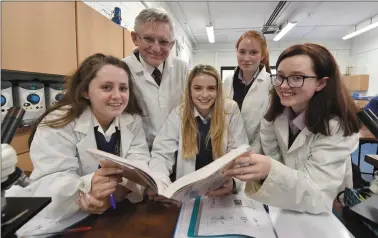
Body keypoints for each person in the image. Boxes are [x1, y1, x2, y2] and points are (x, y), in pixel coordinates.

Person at [6, 54, 150, 221]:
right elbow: (51, 181)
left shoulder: (132, 121)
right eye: (106, 87)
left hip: (118, 211)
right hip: (65, 216)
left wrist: (114, 195)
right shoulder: (57, 122)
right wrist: (88, 187)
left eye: (123, 88)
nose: (117, 96)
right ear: (85, 91)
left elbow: (140, 163)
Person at [224, 43, 360, 214]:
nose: (284, 85)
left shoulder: (336, 128)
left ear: (321, 83)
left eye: (297, 77)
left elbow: (317, 194)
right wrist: (236, 179)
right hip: (288, 204)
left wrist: (269, 169)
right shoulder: (274, 115)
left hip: (328, 209)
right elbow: (271, 157)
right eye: (280, 76)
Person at [148, 64, 248, 202]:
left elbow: (238, 153)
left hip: (221, 190)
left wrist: (234, 182)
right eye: (198, 88)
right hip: (188, 193)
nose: (205, 94)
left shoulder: (230, 110)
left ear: (218, 90)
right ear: (189, 90)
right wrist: (160, 182)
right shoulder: (179, 114)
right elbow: (162, 154)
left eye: (211, 88)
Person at [123, 8, 189, 148]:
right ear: (135, 38)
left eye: (164, 42)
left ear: (171, 45)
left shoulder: (181, 68)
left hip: (178, 149)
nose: (156, 48)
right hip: (139, 152)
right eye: (148, 39)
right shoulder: (122, 70)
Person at [223, 30, 271, 153]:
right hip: (227, 149)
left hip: (257, 150)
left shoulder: (271, 85)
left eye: (253, 52)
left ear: (263, 56)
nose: (246, 58)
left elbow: (268, 128)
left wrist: (253, 152)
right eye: (242, 52)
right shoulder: (227, 82)